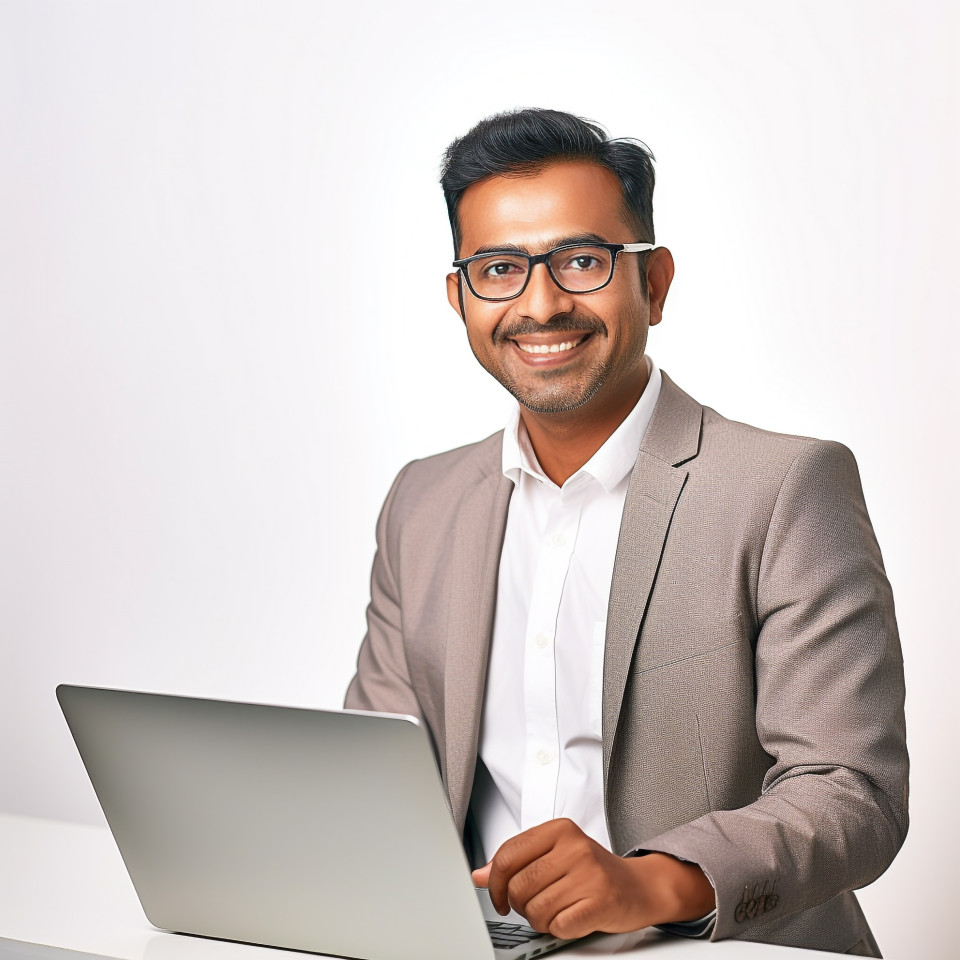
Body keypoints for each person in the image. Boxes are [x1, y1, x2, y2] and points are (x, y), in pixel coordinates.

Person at [345, 108, 907, 957]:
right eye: (499, 269)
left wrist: (645, 880)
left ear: (653, 282)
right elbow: (373, 776)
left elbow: (852, 792)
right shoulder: (421, 502)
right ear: (460, 297)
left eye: (581, 260)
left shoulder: (785, 487)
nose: (540, 305)